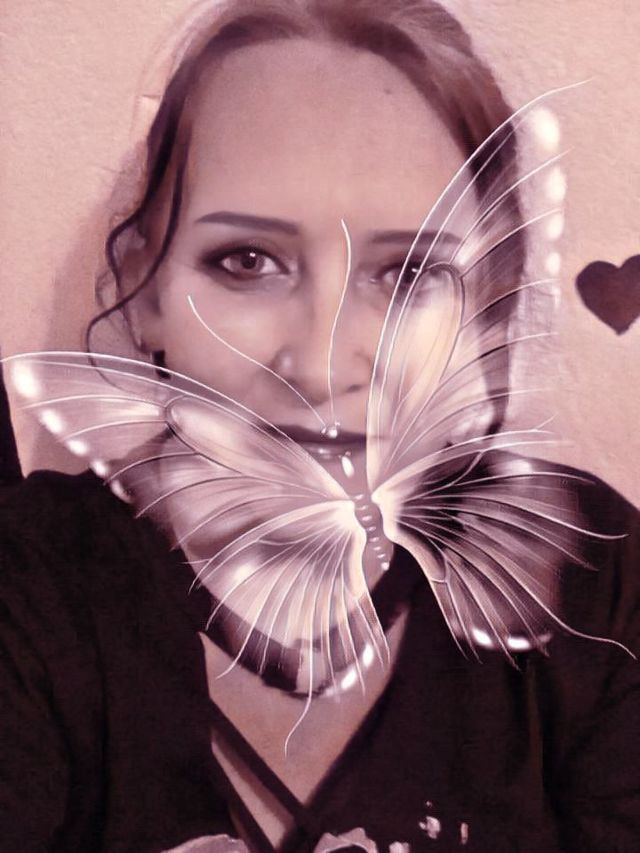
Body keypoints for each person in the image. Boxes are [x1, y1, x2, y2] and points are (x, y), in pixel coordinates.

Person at [1, 2, 639, 851]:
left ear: (488, 310)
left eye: (406, 276)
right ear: (142, 286)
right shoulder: (28, 587)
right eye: (247, 261)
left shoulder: (593, 577)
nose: (322, 363)